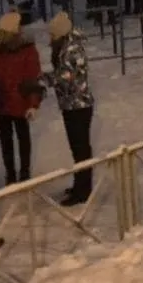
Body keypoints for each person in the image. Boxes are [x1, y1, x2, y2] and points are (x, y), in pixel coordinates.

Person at [0, 11, 42, 184]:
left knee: (22, 137)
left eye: (1, 32)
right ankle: (11, 174)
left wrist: (33, 104)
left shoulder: (28, 50)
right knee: (5, 139)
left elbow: (32, 79)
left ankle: (24, 173)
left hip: (19, 101)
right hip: (1, 101)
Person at [46, 11, 96, 207]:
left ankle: (83, 190)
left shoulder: (72, 50)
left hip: (79, 105)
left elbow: (66, 76)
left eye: (52, 34)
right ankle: (80, 185)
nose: (50, 38)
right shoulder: (65, 47)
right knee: (78, 149)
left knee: (81, 148)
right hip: (71, 104)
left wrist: (42, 81)